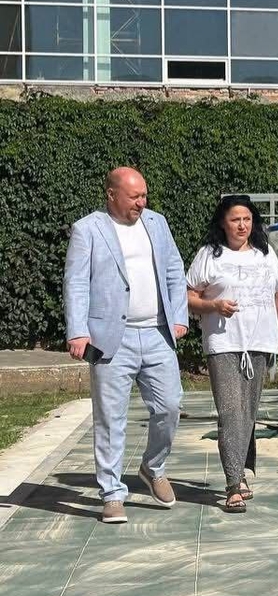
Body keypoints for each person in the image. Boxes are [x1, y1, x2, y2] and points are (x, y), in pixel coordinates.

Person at [64, 167, 188, 524]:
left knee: (170, 406)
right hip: (109, 339)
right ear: (111, 195)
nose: (141, 202)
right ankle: (112, 494)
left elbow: (174, 270)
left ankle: (153, 467)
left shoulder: (157, 223)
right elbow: (76, 283)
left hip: (158, 334)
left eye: (144, 195)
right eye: (134, 196)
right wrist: (78, 331)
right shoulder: (87, 229)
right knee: (110, 418)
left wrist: (179, 315)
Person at [186, 195, 278, 513]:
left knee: (247, 412)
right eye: (235, 219)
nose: (242, 225)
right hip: (223, 344)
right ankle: (233, 485)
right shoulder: (209, 255)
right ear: (223, 222)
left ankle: (242, 471)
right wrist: (213, 305)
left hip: (260, 343)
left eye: (247, 219)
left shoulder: (265, 254)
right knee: (230, 412)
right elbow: (188, 296)